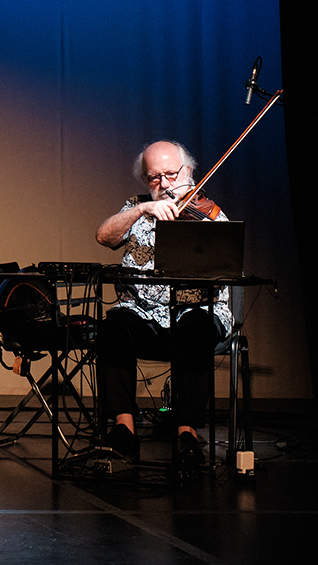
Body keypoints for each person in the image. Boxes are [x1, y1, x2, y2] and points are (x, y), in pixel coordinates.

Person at [94, 140, 231, 466]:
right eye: (154, 178)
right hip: (143, 311)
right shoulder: (137, 209)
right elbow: (104, 236)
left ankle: (187, 432)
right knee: (113, 326)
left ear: (189, 172)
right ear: (145, 180)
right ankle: (124, 430)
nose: (165, 184)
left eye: (171, 174)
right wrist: (142, 209)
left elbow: (226, 266)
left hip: (196, 309)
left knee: (195, 326)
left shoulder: (209, 215)